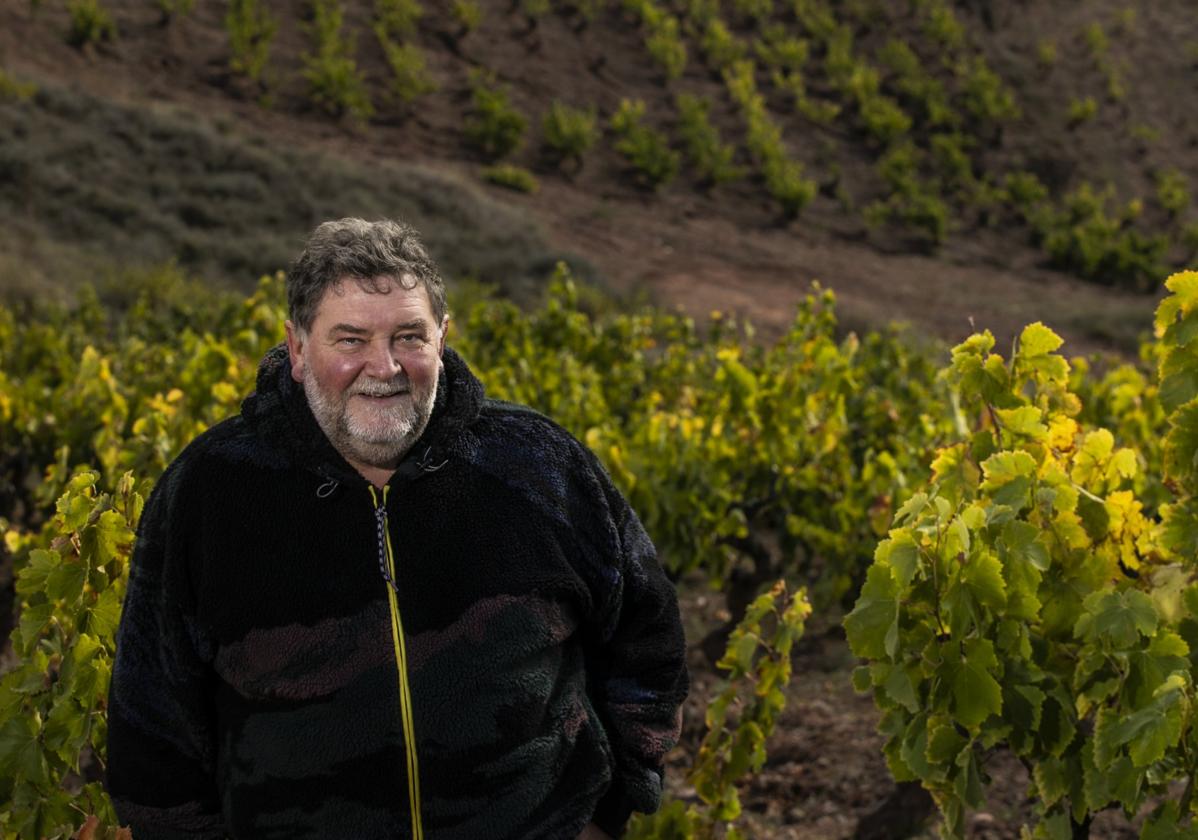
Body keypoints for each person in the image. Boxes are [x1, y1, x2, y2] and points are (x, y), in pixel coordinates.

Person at [106, 218, 690, 840]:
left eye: (409, 336)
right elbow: (152, 726)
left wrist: (605, 816)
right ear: (299, 349)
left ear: (442, 338)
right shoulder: (209, 490)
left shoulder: (540, 466)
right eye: (350, 339)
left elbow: (648, 638)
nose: (383, 367)